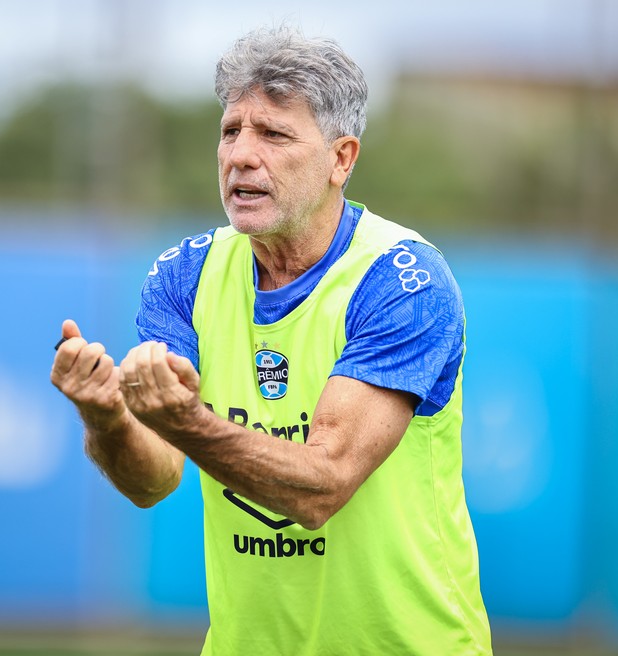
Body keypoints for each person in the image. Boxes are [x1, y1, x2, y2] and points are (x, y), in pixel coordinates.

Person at [51, 25, 492, 655]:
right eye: (231, 131)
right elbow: (151, 481)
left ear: (343, 158)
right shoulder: (182, 277)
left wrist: (189, 422)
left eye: (274, 134)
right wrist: (106, 417)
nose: (240, 156)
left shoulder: (402, 279)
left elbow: (324, 484)